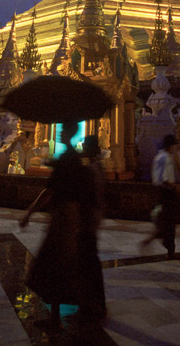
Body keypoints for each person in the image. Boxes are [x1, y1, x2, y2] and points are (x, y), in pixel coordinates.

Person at [19, 120, 84, 333]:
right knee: (58, 264)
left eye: (63, 130)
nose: (60, 133)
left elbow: (49, 190)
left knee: (53, 264)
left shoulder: (67, 159)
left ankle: (58, 316)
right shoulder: (73, 159)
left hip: (63, 216)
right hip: (67, 215)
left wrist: (29, 212)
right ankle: (58, 315)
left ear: (70, 133)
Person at [78, 134, 107, 324]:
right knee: (90, 262)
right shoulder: (97, 167)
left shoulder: (92, 169)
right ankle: (94, 302)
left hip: (89, 219)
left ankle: (92, 303)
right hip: (93, 218)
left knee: (88, 262)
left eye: (85, 146)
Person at [141, 134, 180, 258]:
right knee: (169, 222)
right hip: (167, 192)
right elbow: (166, 179)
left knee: (164, 220)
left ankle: (155, 241)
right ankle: (170, 250)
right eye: (174, 145)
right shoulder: (167, 158)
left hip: (159, 192)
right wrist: (176, 187)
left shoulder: (158, 156)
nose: (176, 148)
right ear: (170, 146)